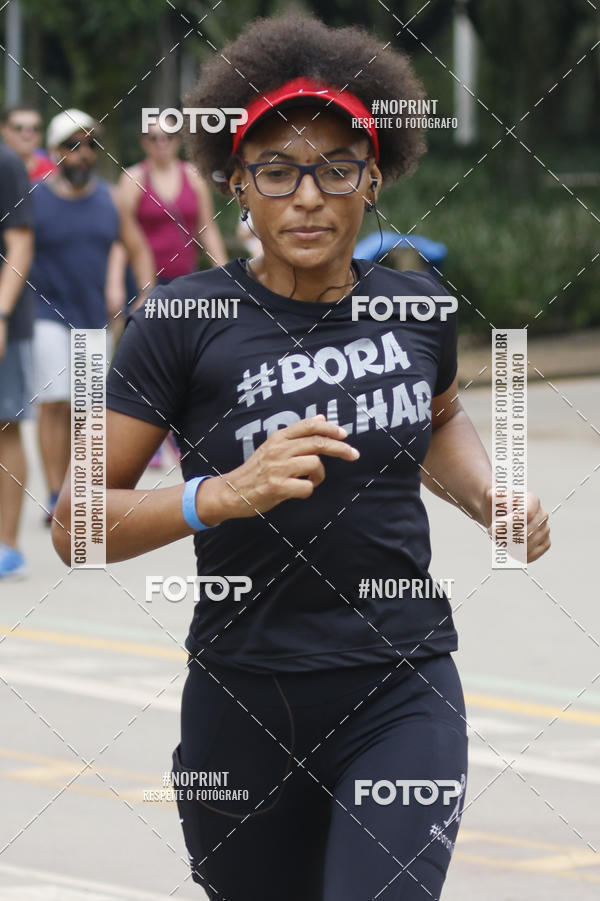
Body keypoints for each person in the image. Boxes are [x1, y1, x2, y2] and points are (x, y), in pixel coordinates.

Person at [53, 14, 551, 901]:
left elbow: (437, 417)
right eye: (277, 171)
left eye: (336, 167)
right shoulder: (178, 322)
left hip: (403, 680)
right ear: (238, 184)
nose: (308, 196)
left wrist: (487, 494)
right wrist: (221, 493)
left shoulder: (419, 306)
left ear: (376, 177)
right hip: (245, 697)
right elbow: (77, 522)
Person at [32, 108, 154, 523]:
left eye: (91, 145)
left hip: (92, 318)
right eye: (73, 145)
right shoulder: (34, 198)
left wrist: (145, 295)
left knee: (86, 408)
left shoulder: (110, 198)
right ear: (54, 151)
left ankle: (75, 491)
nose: (83, 154)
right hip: (43, 312)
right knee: (53, 402)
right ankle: (53, 494)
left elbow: (137, 249)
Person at [118, 120, 227, 279]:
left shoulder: (194, 176)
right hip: (143, 280)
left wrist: (224, 273)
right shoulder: (132, 180)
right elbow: (124, 238)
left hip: (185, 277)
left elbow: (207, 229)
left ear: (177, 140)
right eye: (154, 138)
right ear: (144, 142)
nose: (162, 143)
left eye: (168, 137)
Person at [0, 145, 34, 578]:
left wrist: (1, 314)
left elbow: (20, 245)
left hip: (4, 316)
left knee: (5, 424)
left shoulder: (5, 163)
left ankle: (7, 546)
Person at [0, 106, 57, 181]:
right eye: (18, 128)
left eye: (35, 128)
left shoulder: (53, 172)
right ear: (2, 129)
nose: (27, 135)